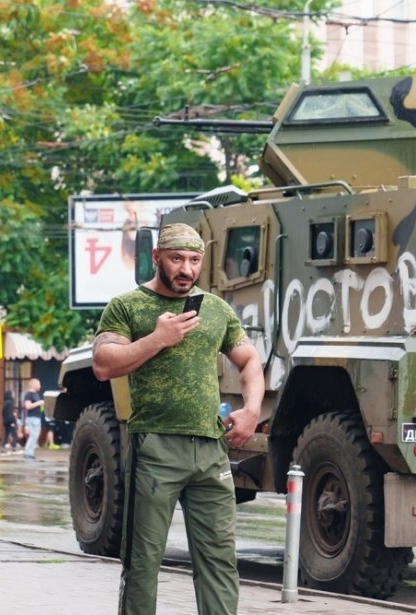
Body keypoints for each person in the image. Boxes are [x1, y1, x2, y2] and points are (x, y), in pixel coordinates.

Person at [92, 223, 264, 615]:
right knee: (142, 563)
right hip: (155, 447)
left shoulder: (217, 309)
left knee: (220, 562)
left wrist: (252, 409)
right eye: (176, 259)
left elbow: (249, 359)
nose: (186, 268)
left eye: (194, 260)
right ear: (156, 258)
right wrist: (158, 338)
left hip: (210, 449)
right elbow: (103, 365)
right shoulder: (127, 306)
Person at [22, 378, 44, 459]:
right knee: (33, 435)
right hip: (31, 418)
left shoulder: (36, 394)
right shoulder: (28, 394)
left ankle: (30, 452)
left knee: (35, 436)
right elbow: (27, 406)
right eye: (39, 384)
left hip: (37, 417)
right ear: (34, 384)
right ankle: (28, 452)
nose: (40, 386)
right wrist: (39, 403)